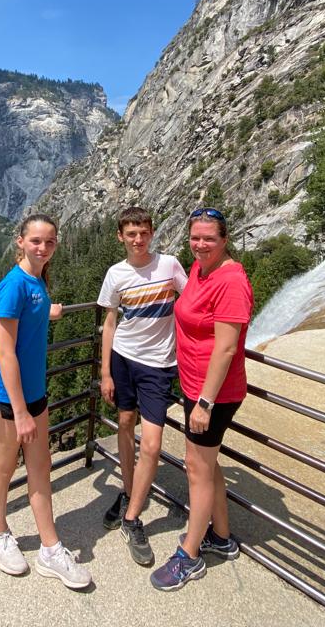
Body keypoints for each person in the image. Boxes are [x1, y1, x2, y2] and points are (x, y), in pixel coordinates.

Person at [0, 213, 91, 589]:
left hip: (34, 395)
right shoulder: (13, 286)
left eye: (50, 242)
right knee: (3, 468)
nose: (43, 248)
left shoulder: (38, 281)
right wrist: (21, 412)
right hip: (6, 398)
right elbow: (5, 352)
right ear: (21, 242)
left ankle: (50, 548)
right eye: (36, 241)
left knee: (41, 469)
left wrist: (49, 312)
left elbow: (33, 314)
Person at [150, 207, 254, 591]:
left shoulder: (231, 281)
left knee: (196, 468)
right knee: (205, 465)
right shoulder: (199, 269)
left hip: (214, 395)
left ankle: (189, 555)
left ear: (224, 239)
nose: (201, 244)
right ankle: (221, 537)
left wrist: (205, 404)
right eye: (195, 237)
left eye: (209, 238)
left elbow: (226, 348)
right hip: (194, 385)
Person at [97, 206, 188, 566]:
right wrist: (106, 372)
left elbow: (192, 301)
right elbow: (110, 323)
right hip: (123, 358)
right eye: (131, 234)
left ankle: (132, 518)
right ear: (120, 236)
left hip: (159, 365)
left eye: (144, 233)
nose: (138, 240)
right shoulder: (115, 274)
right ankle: (127, 490)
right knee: (123, 424)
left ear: (152, 233)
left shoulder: (169, 265)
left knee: (151, 444)